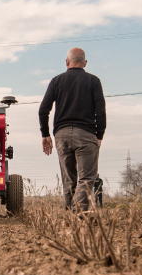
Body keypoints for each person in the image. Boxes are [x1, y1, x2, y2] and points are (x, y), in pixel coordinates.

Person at [38, 47, 106, 210]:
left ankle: (71, 216)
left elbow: (43, 110)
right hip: (86, 134)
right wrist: (99, 135)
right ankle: (79, 214)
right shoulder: (93, 81)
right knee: (86, 178)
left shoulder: (56, 81)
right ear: (85, 63)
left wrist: (45, 134)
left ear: (67, 62)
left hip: (62, 135)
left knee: (69, 179)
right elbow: (101, 111)